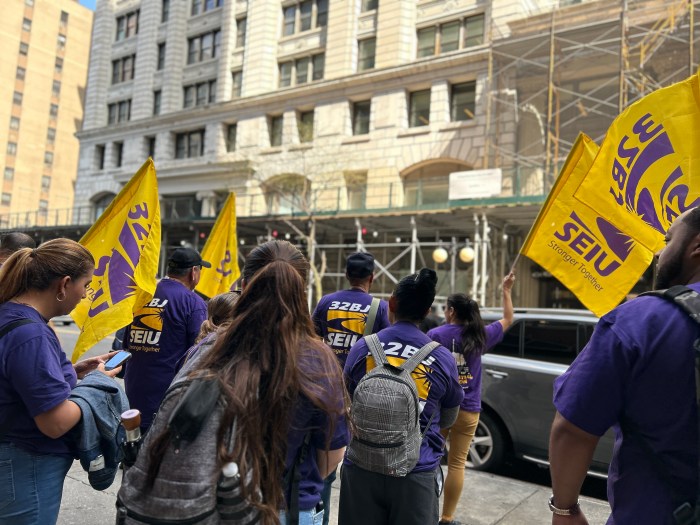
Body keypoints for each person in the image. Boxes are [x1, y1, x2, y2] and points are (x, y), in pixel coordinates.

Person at [170, 240, 349, 524]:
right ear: (300, 291)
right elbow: (331, 456)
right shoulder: (320, 360)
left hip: (216, 506)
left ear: (243, 284)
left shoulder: (209, 348)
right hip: (291, 506)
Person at [549, 206, 700, 524]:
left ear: (696, 246)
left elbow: (572, 430)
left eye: (668, 239)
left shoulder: (641, 320)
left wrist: (566, 510)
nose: (659, 251)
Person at [0, 238, 120, 524]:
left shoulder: (12, 314)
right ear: (65, 284)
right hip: (27, 468)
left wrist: (72, 372)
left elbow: (19, 379)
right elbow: (55, 423)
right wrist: (97, 383)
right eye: (86, 284)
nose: (85, 294)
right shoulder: (31, 335)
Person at [340, 268, 463, 525]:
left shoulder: (364, 347)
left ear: (391, 304)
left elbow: (348, 398)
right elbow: (449, 417)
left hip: (362, 467)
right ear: (427, 312)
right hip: (416, 473)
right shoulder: (441, 357)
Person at [428, 272, 515, 525]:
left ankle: (427, 509)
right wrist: (505, 290)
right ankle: (447, 518)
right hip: (469, 409)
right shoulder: (480, 335)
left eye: (446, 309)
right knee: (457, 464)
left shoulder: (436, 335)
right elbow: (509, 318)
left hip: (441, 407)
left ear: (452, 311)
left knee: (431, 459)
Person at [311, 251, 389, 523]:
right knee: (357, 461)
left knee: (324, 461)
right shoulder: (381, 308)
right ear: (372, 277)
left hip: (325, 389)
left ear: (346, 274)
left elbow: (312, 340)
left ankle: (318, 515)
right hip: (361, 394)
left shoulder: (326, 301)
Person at [124, 247, 208, 433]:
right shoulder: (193, 303)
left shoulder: (143, 295)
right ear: (194, 272)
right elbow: (200, 353)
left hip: (133, 394)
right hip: (168, 400)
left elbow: (126, 346)